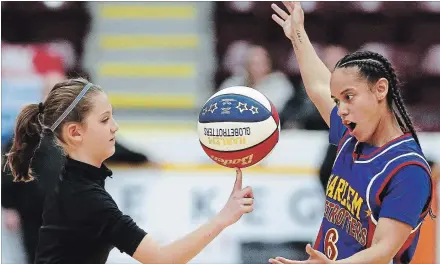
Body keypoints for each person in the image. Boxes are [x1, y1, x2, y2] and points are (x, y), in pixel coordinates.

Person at [5, 78, 254, 264]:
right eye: (105, 120)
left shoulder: (74, 182)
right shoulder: (86, 198)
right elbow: (163, 259)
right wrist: (224, 217)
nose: (115, 127)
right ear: (75, 132)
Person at [269, 2, 433, 264]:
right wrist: (297, 33)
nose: (341, 110)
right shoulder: (350, 137)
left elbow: (382, 251)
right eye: (337, 101)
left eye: (349, 97)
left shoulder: (407, 170)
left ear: (380, 90)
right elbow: (319, 86)